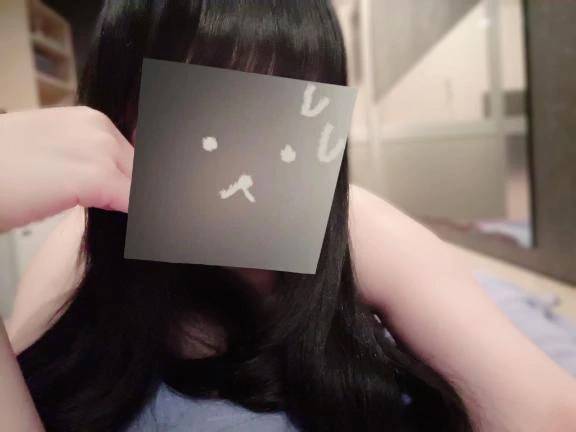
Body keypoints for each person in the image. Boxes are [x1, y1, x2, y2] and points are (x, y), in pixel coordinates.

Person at [1, 1, 575, 431]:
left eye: (290, 95)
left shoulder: (356, 227)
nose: (247, 149)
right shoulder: (84, 238)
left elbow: (544, 411)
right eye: (204, 95)